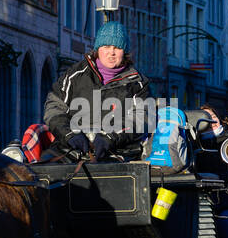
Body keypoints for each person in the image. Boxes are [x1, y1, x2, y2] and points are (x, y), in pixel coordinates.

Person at [44, 20, 151, 161]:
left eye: (117, 48)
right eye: (106, 46)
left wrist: (109, 137)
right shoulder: (74, 75)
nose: (111, 53)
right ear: (98, 49)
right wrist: (71, 135)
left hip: (119, 152)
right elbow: (54, 108)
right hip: (72, 148)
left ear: (124, 52)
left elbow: (141, 119)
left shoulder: (138, 83)